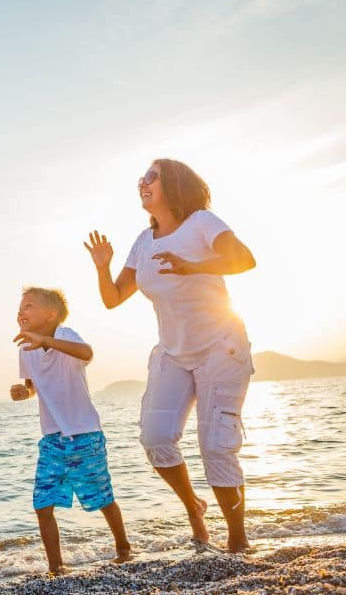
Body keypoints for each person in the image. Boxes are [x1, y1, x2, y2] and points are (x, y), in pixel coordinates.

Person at [84, 159, 257, 553]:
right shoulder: (144, 242)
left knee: (216, 446)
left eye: (151, 177)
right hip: (173, 354)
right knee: (156, 439)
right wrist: (102, 267)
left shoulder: (202, 222)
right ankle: (195, 508)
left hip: (221, 348)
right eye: (141, 177)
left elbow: (244, 259)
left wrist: (193, 267)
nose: (141, 182)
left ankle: (237, 539)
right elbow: (113, 299)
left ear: (174, 185)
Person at [10, 287, 132, 574]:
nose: (20, 313)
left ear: (51, 314)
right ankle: (56, 566)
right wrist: (22, 392)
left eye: (28, 306)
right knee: (43, 503)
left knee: (102, 497)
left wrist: (45, 340)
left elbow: (86, 352)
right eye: (19, 308)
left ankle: (124, 548)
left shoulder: (65, 336)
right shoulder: (24, 350)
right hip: (52, 438)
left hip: (84, 433)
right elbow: (32, 387)